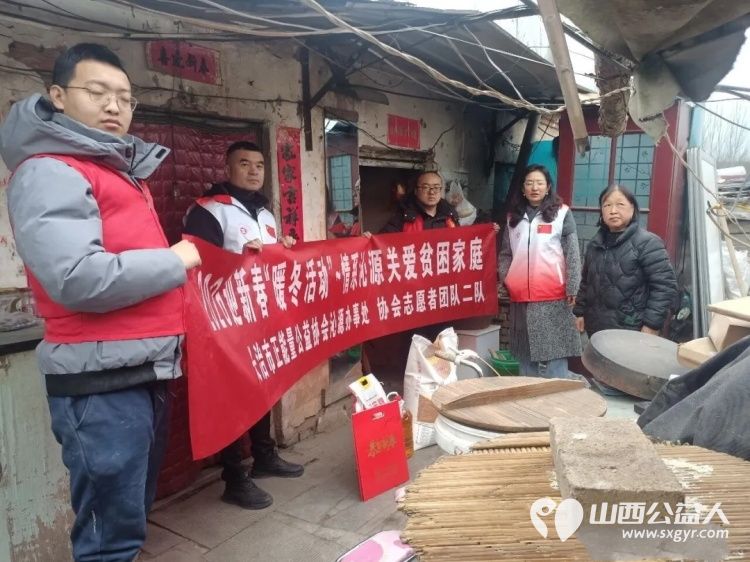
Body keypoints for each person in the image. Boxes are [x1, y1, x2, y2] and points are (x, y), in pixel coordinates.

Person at [0, 43, 200, 561]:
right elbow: (75, 278)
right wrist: (174, 261)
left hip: (138, 370)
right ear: (58, 96)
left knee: (126, 524)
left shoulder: (111, 171)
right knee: (110, 538)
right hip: (101, 384)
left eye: (125, 98)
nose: (114, 106)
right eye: (97, 92)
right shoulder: (51, 170)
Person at [183, 141, 304, 510]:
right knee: (231, 398)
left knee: (262, 387)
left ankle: (264, 456)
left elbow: (267, 264)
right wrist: (240, 256)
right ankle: (234, 477)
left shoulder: (265, 213)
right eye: (244, 163)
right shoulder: (208, 211)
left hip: (260, 317)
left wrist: (282, 248)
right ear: (227, 168)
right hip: (225, 321)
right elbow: (197, 264)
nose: (254, 171)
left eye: (259, 165)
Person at [499, 164, 581, 377]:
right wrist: (508, 278)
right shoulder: (513, 218)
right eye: (529, 183)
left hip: (553, 294)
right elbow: (506, 253)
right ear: (523, 189)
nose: (534, 188)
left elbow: (572, 253)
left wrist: (573, 286)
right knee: (524, 353)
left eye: (539, 183)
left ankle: (557, 394)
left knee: (555, 352)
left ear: (548, 187)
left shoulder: (561, 214)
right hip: (520, 297)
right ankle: (528, 394)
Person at [573, 185, 678, 337]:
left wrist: (651, 325)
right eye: (607, 205)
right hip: (596, 327)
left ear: (632, 208)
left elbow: (665, 287)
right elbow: (586, 282)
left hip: (631, 329)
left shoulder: (648, 243)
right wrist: (580, 312)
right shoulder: (595, 244)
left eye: (620, 204)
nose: (613, 210)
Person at [380, 171, 459, 233]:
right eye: (425, 187)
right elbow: (383, 241)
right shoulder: (404, 217)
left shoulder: (450, 215)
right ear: (416, 191)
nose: (432, 192)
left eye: (436, 187)